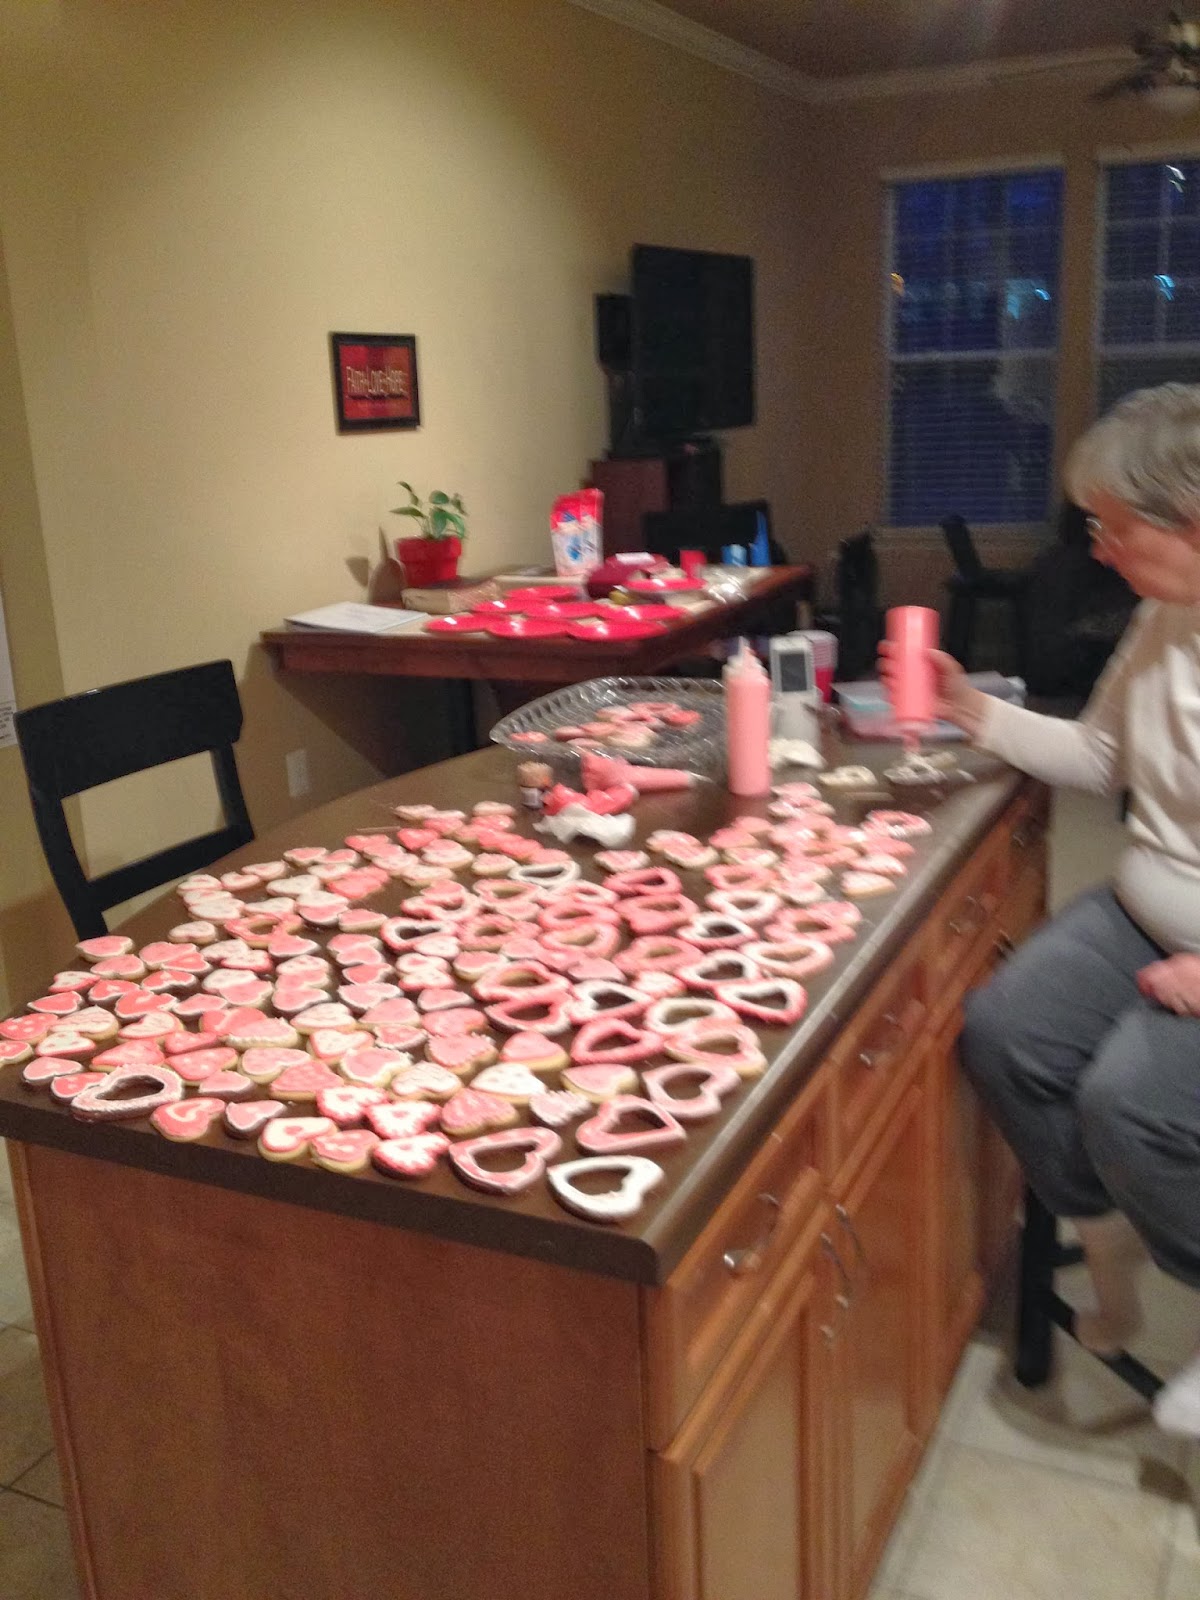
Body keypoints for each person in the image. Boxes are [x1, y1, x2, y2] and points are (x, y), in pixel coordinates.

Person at [879, 382, 1200, 1438]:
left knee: (1128, 1101)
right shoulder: (1164, 617)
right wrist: (968, 705)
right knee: (1005, 1031)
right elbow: (1102, 755)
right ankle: (1109, 1243)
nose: (1096, 549)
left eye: (1113, 526)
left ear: (1192, 521)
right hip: (1150, 909)